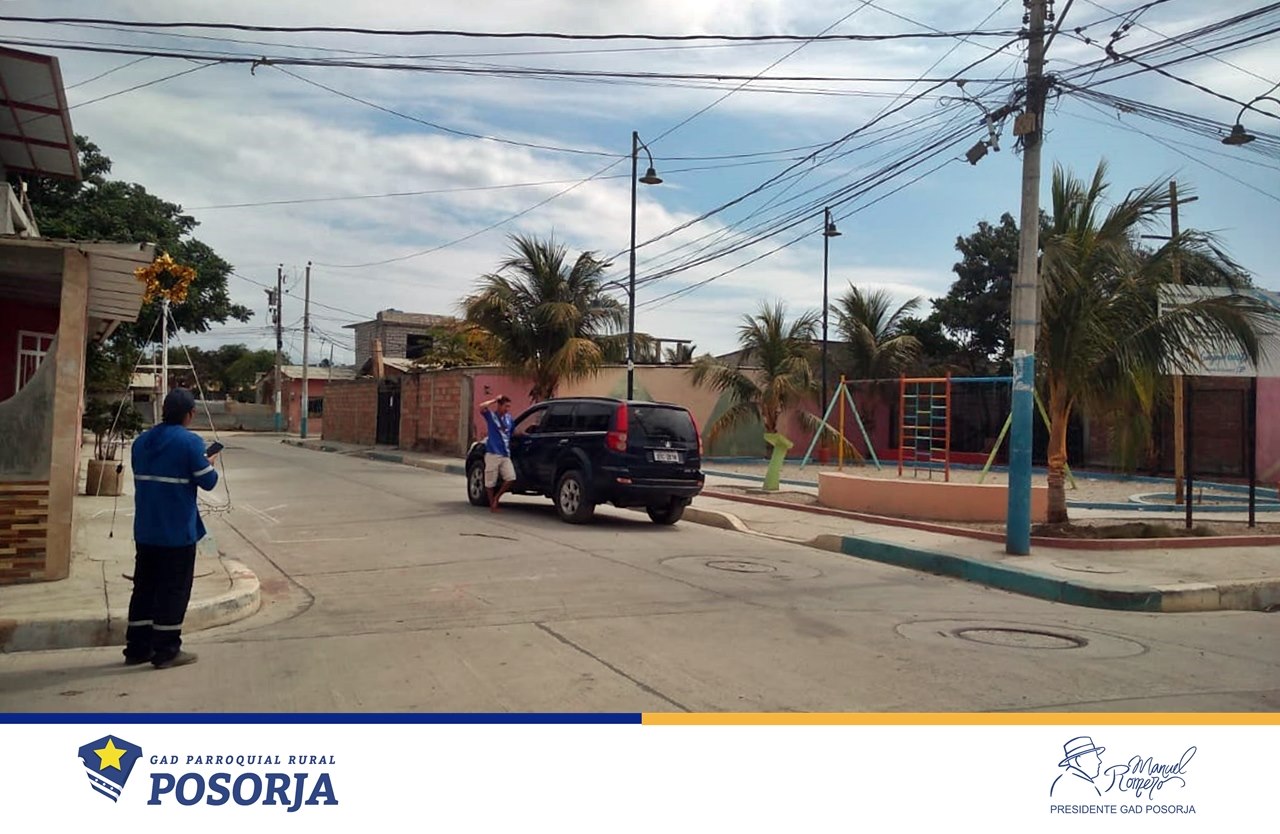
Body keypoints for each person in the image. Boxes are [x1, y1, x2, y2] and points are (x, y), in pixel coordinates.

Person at [122, 388, 219, 669]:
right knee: (173, 591)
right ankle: (166, 650)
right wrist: (209, 462)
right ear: (190, 414)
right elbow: (208, 481)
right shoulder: (190, 443)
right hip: (176, 533)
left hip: (145, 530)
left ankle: (137, 647)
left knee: (144, 588)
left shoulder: (141, 442)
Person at [478, 395, 515, 511]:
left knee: (511, 477)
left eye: (508, 406)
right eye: (505, 406)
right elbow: (481, 407)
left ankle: (497, 498)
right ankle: (492, 503)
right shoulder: (491, 416)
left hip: (505, 454)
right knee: (490, 481)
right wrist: (494, 400)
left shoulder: (509, 419)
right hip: (493, 453)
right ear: (499, 406)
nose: (507, 409)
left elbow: (512, 432)